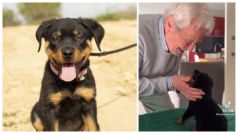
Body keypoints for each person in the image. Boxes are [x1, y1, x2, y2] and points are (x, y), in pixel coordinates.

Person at [139, 3, 215, 113]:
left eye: (196, 43)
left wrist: (181, 85)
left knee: (168, 118)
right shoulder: (139, 34)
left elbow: (168, 77)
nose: (190, 49)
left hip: (151, 85)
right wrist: (170, 83)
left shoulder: (177, 44)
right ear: (170, 24)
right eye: (188, 41)